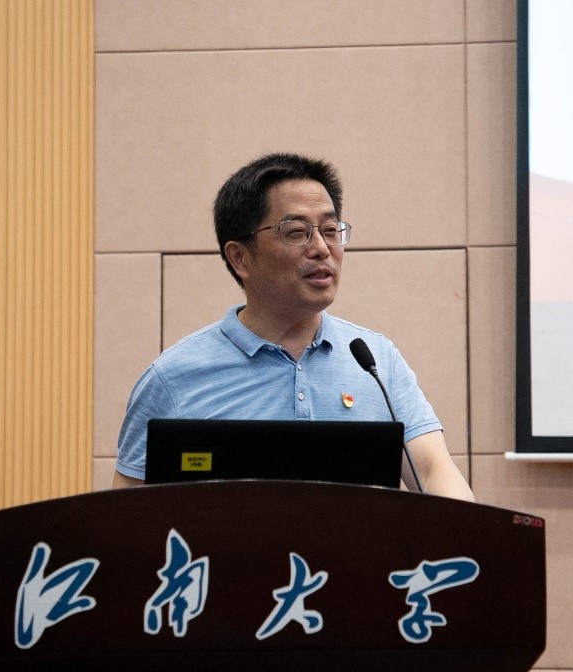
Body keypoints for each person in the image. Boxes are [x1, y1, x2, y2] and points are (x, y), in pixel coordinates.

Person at [112, 153, 474, 501]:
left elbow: (432, 472)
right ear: (240, 257)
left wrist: (468, 532)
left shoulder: (375, 361)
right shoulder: (173, 378)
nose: (322, 248)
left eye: (330, 230)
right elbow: (125, 514)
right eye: (297, 232)